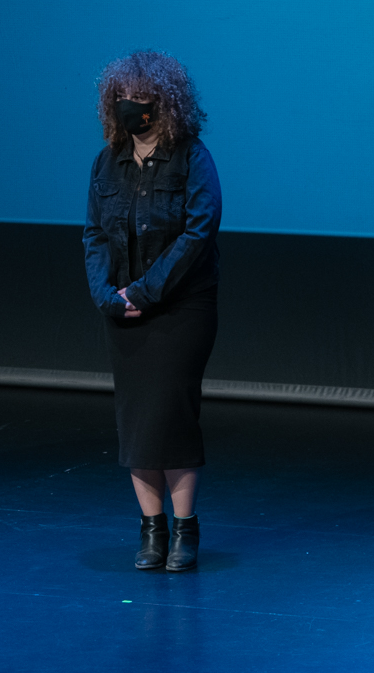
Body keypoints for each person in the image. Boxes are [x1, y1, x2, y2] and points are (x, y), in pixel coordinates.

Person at [82, 50, 221, 572]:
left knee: (170, 414)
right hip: (122, 309)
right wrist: (106, 294)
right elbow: (94, 235)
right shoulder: (107, 162)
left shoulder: (192, 158)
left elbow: (198, 234)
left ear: (163, 102)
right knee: (137, 418)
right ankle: (151, 529)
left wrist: (144, 292)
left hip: (181, 307)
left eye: (137, 97)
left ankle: (185, 528)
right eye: (119, 97)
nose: (128, 106)